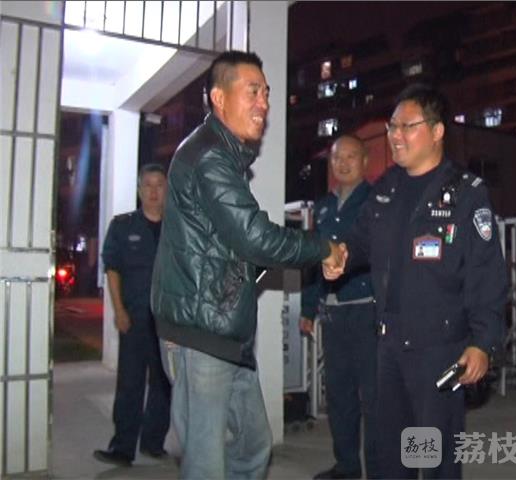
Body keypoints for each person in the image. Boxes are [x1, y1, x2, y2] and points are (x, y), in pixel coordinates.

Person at [150, 50, 346, 479]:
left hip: (222, 329)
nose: (264, 103)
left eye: (267, 93)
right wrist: (322, 248)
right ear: (219, 98)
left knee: (252, 446)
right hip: (201, 333)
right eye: (253, 92)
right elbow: (254, 237)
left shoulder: (222, 156)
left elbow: (231, 243)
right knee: (207, 461)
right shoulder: (209, 156)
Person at [324, 83, 508, 479]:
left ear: (437, 131)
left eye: (407, 126)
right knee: (394, 456)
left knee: (433, 457)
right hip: (389, 347)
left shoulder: (465, 194)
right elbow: (360, 242)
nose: (396, 135)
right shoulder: (386, 189)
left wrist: (482, 343)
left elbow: (487, 273)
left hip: (438, 352)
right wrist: (339, 256)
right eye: (392, 127)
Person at [300, 135, 378, 479]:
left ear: (365, 161)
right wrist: (308, 307)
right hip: (333, 312)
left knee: (374, 396)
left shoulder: (376, 201)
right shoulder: (324, 206)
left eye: (350, 156)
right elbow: (314, 259)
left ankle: (379, 469)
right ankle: (347, 466)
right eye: (336, 158)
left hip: (368, 310)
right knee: (339, 394)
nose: (343, 163)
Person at [94, 163, 171, 467]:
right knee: (130, 384)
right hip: (135, 318)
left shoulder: (178, 228)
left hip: (169, 322)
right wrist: (119, 310)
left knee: (165, 384)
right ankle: (123, 448)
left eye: (159, 185)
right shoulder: (123, 226)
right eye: (147, 185)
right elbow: (112, 269)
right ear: (139, 190)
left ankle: (153, 442)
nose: (153, 191)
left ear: (167, 190)